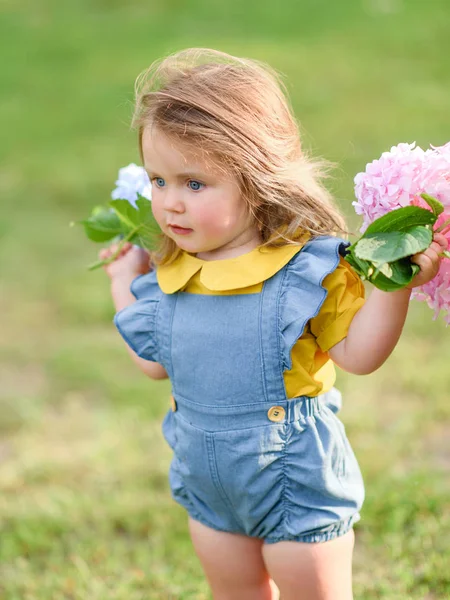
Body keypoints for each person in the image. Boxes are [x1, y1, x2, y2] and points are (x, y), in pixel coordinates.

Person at [99, 48, 447, 600]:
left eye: (194, 184)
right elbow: (153, 363)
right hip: (212, 494)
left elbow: (359, 355)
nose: (170, 204)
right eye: (158, 180)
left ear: (257, 178)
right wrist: (124, 281)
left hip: (296, 489)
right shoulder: (169, 272)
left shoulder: (302, 271)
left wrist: (396, 286)